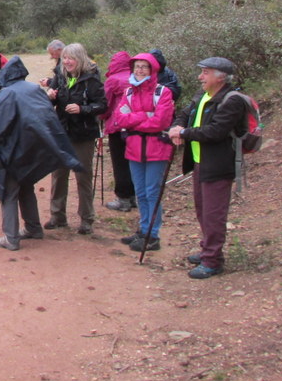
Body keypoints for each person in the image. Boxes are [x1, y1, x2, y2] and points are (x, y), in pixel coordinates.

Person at [0, 56, 83, 251]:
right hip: (34, 150)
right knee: (26, 187)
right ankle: (33, 228)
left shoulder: (6, 94)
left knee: (9, 192)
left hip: (12, 152)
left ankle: (10, 238)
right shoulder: (35, 89)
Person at [169, 57, 249, 279]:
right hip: (200, 162)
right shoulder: (204, 95)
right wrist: (178, 126)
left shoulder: (232, 101)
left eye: (205, 72)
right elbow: (186, 114)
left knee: (214, 214)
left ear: (220, 76)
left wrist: (183, 133)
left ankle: (212, 260)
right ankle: (208, 250)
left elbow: (216, 131)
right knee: (202, 210)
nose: (200, 77)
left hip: (219, 164)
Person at [110, 52, 176, 253]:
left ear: (153, 70)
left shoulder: (162, 92)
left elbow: (161, 122)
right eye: (137, 67)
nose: (139, 70)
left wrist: (135, 119)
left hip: (156, 149)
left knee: (152, 192)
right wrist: (145, 116)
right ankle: (143, 230)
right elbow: (119, 119)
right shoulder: (129, 92)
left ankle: (152, 235)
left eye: (144, 67)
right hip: (134, 149)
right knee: (140, 193)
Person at [44, 43, 106, 234]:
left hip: (83, 135)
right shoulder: (60, 77)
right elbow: (51, 100)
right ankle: (57, 216)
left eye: (71, 58)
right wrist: (50, 96)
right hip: (61, 132)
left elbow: (102, 105)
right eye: (65, 58)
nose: (67, 62)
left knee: (83, 176)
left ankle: (87, 219)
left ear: (80, 59)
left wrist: (83, 109)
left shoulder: (92, 80)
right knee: (58, 175)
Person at [100, 51, 136, 212]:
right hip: (136, 126)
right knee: (134, 161)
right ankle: (135, 196)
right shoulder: (137, 77)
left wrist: (101, 117)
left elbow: (105, 104)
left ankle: (123, 198)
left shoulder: (112, 80)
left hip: (117, 125)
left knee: (120, 163)